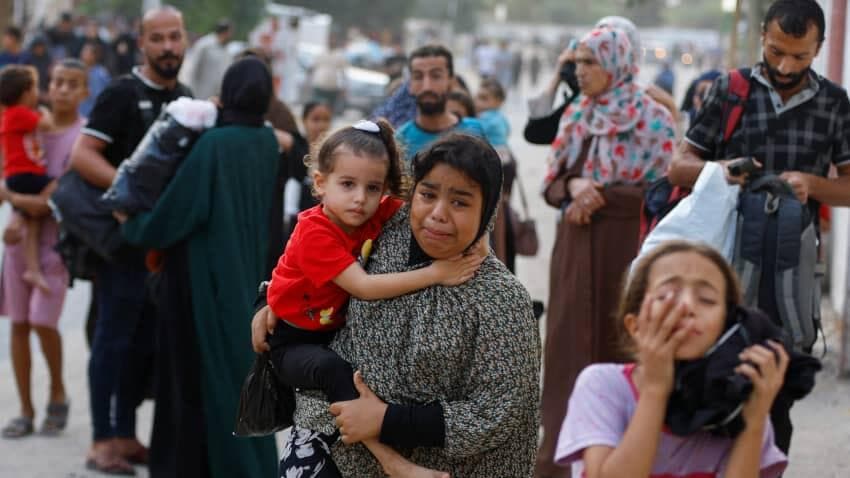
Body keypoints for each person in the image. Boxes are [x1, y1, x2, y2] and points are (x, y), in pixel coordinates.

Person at [253, 133, 541, 477]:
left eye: (460, 202)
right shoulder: (382, 233)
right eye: (428, 194)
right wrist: (266, 302)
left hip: (438, 467)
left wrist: (385, 420)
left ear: (488, 210)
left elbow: (498, 412)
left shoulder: (501, 299)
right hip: (334, 440)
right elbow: (306, 259)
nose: (438, 214)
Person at [667, 0, 850, 455]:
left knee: (775, 405)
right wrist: (724, 171)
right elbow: (678, 167)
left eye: (800, 56)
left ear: (820, 48)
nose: (786, 66)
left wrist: (811, 184)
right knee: (707, 390)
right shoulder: (729, 90)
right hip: (720, 268)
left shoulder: (834, 103)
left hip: (790, 278)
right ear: (763, 37)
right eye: (776, 51)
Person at [117, 56, 280, 477]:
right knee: (235, 377)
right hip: (245, 278)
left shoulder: (215, 144)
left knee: (190, 383)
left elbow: (176, 214)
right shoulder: (265, 141)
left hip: (201, 281)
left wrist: (133, 225)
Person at [536, 26, 676, 478]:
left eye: (590, 62)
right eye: (577, 62)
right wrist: (573, 185)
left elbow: (671, 192)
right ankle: (561, 462)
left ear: (617, 63)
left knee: (623, 345)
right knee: (567, 351)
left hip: (630, 246)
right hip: (576, 246)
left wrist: (617, 197)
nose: (580, 71)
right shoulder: (576, 113)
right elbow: (550, 182)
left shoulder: (654, 118)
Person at [70, 6, 191, 474]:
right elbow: (83, 155)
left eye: (174, 37)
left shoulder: (186, 98)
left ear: (185, 41)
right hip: (120, 249)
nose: (167, 47)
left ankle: (125, 435)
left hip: (162, 254)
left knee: (143, 345)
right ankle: (101, 439)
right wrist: (131, 193)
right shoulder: (122, 94)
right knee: (112, 342)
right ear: (141, 43)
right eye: (157, 38)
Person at [556, 240, 789, 477]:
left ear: (727, 326)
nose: (687, 306)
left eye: (706, 299)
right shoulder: (602, 386)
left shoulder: (738, 404)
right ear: (634, 326)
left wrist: (753, 423)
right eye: (667, 295)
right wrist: (655, 389)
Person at [0, 59, 88, 439]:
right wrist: (16, 204)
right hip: (19, 245)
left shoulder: (85, 137)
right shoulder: (23, 124)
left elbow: (64, 190)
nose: (62, 89)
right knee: (19, 323)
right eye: (56, 82)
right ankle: (25, 409)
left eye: (71, 84)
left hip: (58, 245)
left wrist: (24, 204)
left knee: (42, 321)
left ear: (84, 92)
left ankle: (57, 390)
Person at [0, 65, 56, 293]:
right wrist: (44, 110)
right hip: (25, 175)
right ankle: (18, 221)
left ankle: (32, 269)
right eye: (35, 88)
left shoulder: (10, 115)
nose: (38, 93)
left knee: (33, 221)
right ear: (25, 92)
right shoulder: (19, 114)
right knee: (56, 185)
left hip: (18, 176)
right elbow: (48, 125)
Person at [395, 45, 485, 164]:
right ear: (410, 84)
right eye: (418, 77)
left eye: (436, 76)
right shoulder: (400, 140)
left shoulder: (474, 131)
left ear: (451, 81)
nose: (427, 86)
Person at [180, 19, 232, 101]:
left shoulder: (226, 49)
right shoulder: (205, 45)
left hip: (215, 97)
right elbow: (192, 68)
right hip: (199, 94)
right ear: (225, 32)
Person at [310, 38, 348, 114]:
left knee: (330, 108)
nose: (331, 42)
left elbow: (343, 73)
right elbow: (313, 68)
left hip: (332, 86)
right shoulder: (321, 53)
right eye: (330, 41)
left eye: (333, 41)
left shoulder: (340, 55)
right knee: (316, 105)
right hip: (319, 84)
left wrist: (344, 87)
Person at [79, 40, 111, 117]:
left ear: (94, 56)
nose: (82, 53)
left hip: (93, 116)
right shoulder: (79, 70)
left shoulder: (100, 74)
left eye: (86, 52)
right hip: (79, 114)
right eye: (83, 50)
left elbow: (99, 98)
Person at [475, 77, 510, 147]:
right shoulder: (502, 118)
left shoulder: (487, 118)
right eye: (476, 97)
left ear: (498, 101)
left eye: (483, 98)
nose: (477, 102)